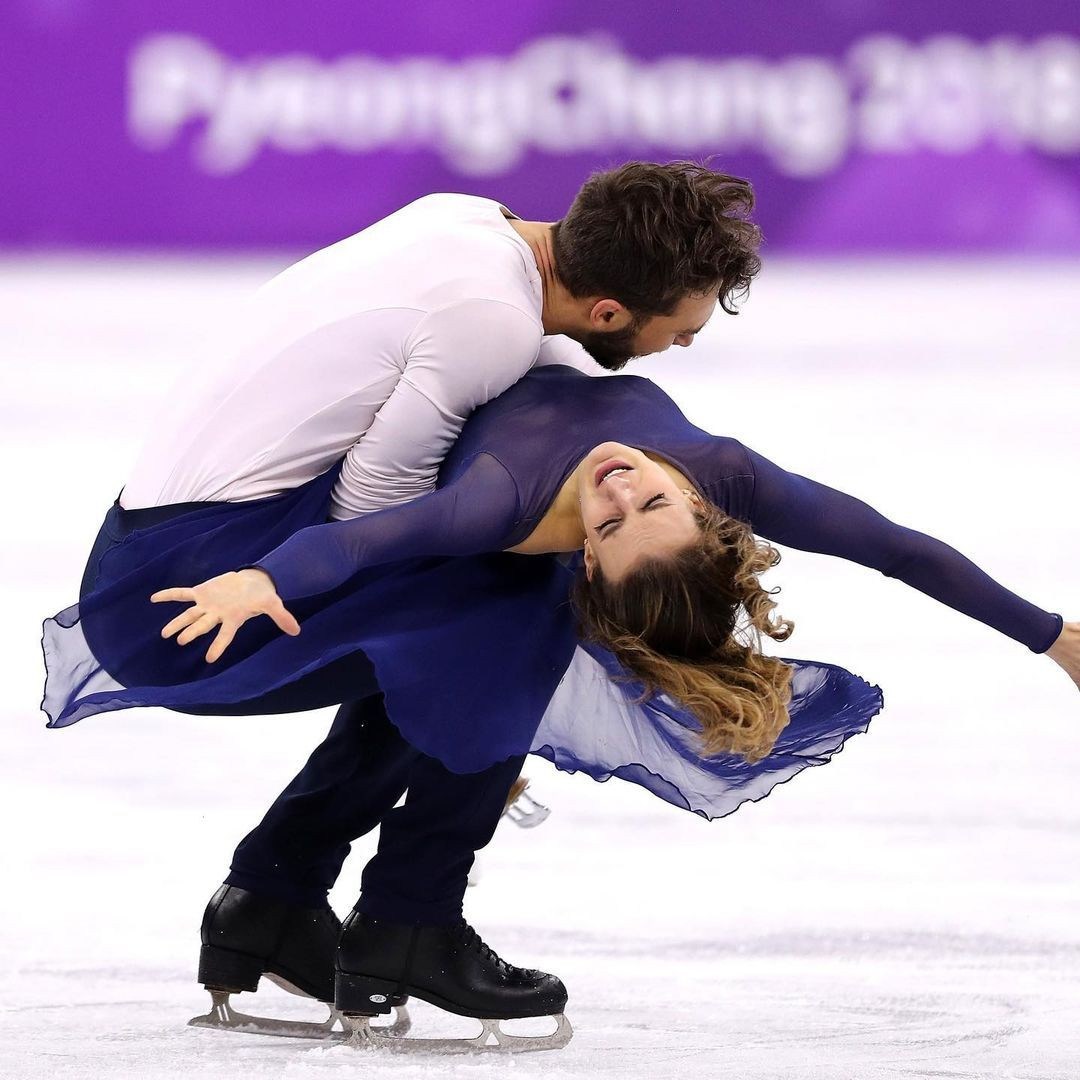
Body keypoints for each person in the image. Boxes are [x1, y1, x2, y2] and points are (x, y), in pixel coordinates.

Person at [42, 366, 1079, 1048]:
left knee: (507, 639)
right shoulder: (684, 477)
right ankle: (385, 919)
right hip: (357, 556)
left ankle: (273, 900)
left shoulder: (578, 500)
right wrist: (268, 580)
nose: (620, 489)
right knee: (506, 647)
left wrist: (1051, 639)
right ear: (704, 509)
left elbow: (900, 550)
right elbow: (901, 547)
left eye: (617, 521)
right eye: (645, 506)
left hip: (419, 563)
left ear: (591, 552)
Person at [41, 162, 765, 1050]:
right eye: (680, 331)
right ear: (610, 313)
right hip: (196, 587)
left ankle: (273, 898)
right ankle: (408, 919)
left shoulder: (472, 222)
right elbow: (375, 499)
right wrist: (478, 717)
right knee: (525, 592)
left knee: (482, 608)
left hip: (154, 549)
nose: (683, 346)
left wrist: (468, 710)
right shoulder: (492, 320)